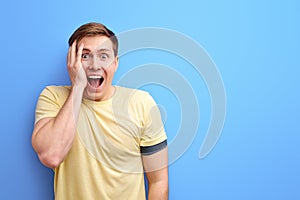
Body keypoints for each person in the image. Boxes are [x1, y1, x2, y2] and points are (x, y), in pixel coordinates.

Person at [31, 22, 168, 200]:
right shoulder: (53, 98)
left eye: (104, 56)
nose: (95, 65)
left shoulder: (141, 103)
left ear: (116, 63)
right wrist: (78, 87)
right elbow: (51, 156)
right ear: (71, 62)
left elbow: (159, 182)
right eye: (85, 56)